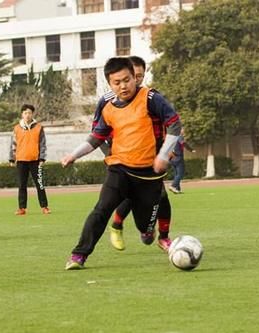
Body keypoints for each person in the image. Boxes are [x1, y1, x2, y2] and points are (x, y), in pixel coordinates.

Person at [61, 57, 181, 270]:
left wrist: (163, 155)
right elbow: (97, 137)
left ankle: (150, 231)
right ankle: (79, 255)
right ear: (110, 83)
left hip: (149, 174)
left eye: (127, 80)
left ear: (135, 78)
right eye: (117, 82)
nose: (123, 86)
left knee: (145, 230)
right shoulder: (108, 106)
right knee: (102, 209)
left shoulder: (151, 98)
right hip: (120, 168)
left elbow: (174, 124)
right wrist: (74, 155)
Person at [106, 56, 174, 252]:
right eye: (132, 76)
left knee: (160, 195)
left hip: (153, 156)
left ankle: (162, 236)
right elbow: (100, 132)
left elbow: (171, 123)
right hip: (125, 157)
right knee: (130, 193)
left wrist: (166, 151)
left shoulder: (152, 97)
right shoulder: (110, 102)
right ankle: (118, 225)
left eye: (140, 76)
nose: (136, 81)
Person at [9, 104, 50, 215]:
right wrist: (12, 159)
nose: (27, 115)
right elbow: (13, 144)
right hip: (21, 160)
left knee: (40, 184)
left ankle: (45, 207)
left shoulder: (39, 128)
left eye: (29, 113)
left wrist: (42, 158)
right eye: (25, 113)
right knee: (22, 185)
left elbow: (43, 144)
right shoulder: (16, 128)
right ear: (22, 114)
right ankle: (22, 208)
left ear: (32, 114)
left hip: (35, 160)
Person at [168, 128, 195, 194]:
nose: (184, 130)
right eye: (182, 129)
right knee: (180, 173)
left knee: (176, 174)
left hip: (172, 158)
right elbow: (184, 144)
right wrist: (191, 150)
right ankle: (173, 186)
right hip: (178, 158)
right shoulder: (179, 137)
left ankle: (177, 189)